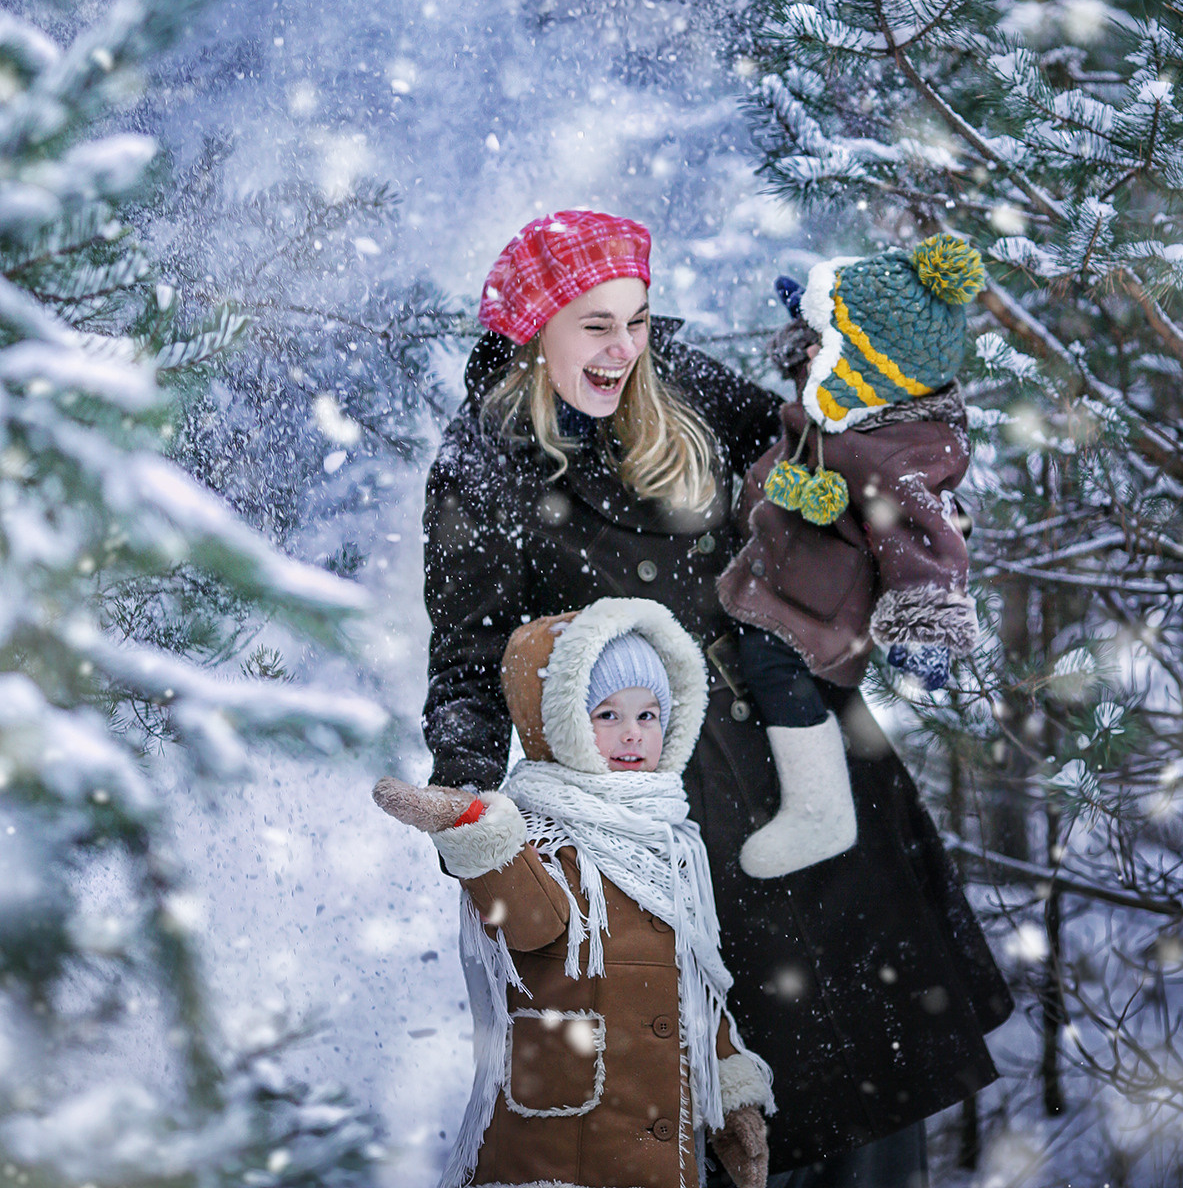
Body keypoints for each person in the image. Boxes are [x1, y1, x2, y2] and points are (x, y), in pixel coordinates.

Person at [422, 209, 1013, 1185]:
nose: (623, 351)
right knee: (732, 1102)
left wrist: (899, 492)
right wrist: (467, 796)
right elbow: (470, 655)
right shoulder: (482, 466)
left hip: (801, 739)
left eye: (637, 321)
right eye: (595, 326)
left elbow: (817, 448)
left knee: (872, 1083)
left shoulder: (684, 386)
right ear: (535, 329)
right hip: (656, 808)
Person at [377, 597, 773, 1188]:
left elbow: (694, 987)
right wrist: (474, 830)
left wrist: (730, 1096)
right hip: (563, 1147)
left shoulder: (675, 844)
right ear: (557, 721)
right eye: (607, 715)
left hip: (662, 1148)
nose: (633, 735)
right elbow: (529, 922)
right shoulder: (539, 833)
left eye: (649, 715)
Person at [721, 236, 986, 880]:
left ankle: (820, 807)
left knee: (769, 662)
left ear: (870, 370)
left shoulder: (890, 457)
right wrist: (809, 328)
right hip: (790, 574)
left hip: (817, 612)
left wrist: (927, 634)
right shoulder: (851, 404)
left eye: (824, 345)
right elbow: (824, 354)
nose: (809, 353)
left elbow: (928, 544)